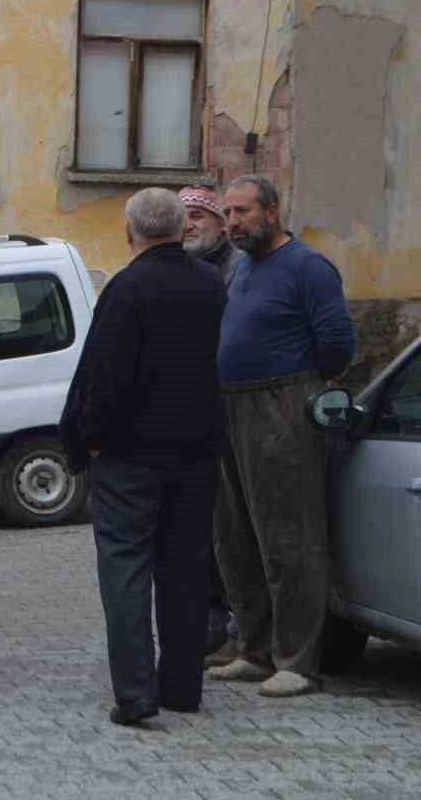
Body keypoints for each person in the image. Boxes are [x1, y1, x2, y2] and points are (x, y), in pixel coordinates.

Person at [60, 188, 230, 726]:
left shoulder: (127, 287)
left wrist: (89, 436)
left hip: (130, 454)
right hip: (198, 451)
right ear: (182, 229)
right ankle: (182, 687)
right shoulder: (213, 284)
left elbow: (105, 376)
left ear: (129, 231)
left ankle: (135, 692)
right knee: (186, 571)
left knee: (126, 566)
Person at [207, 174, 356, 698]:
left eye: (242, 212)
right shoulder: (241, 265)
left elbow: (337, 344)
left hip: (281, 405)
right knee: (235, 535)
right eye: (228, 212)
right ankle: (254, 648)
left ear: (272, 210)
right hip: (228, 404)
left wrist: (297, 390)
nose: (232, 222)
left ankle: (297, 659)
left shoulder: (309, 268)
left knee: (289, 536)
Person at [179, 184, 244, 659]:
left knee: (232, 522)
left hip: (232, 409)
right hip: (190, 414)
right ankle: (205, 621)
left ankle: (237, 622)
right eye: (184, 217)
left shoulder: (238, 270)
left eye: (200, 215)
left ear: (222, 223)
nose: (191, 225)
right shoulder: (180, 269)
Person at [181, 185, 246, 287]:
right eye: (182, 219)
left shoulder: (242, 266)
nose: (187, 226)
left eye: (196, 216)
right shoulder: (170, 265)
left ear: (222, 224)